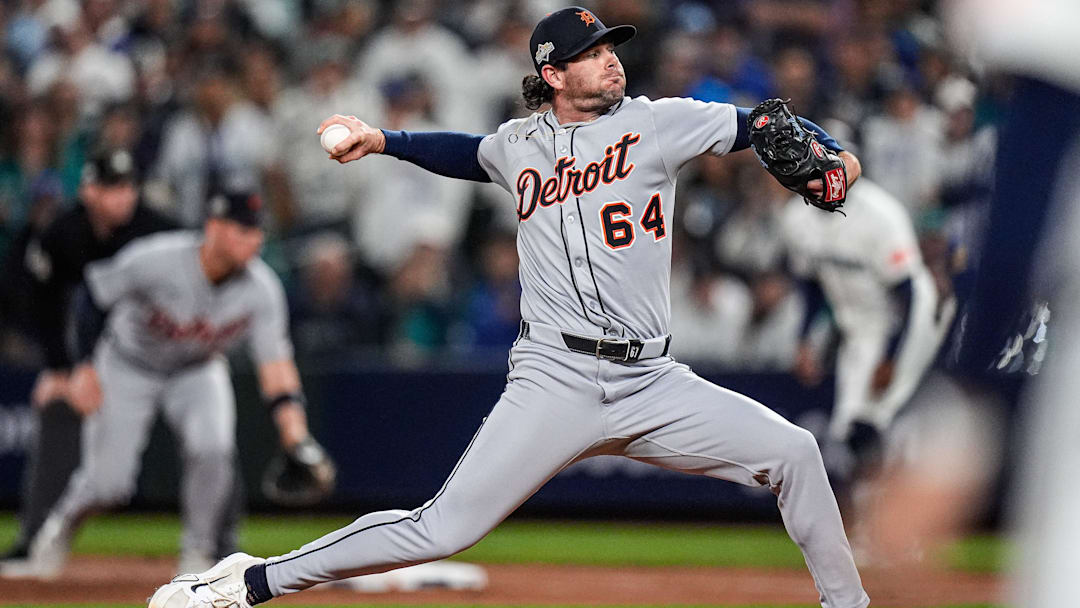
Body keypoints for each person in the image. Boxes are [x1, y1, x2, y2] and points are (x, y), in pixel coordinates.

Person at [149, 8, 870, 608]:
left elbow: (766, 126)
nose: (611, 62)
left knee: (795, 453)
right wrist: (383, 141)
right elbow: (466, 152)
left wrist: (834, 156)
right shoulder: (518, 144)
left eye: (611, 49)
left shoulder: (662, 122)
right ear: (554, 74)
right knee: (440, 529)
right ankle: (248, 582)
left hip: (653, 380)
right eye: (592, 54)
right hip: (555, 377)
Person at [1, 189, 329, 580]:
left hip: (197, 369)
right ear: (214, 227)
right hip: (128, 364)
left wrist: (296, 436)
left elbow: (276, 368)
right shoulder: (157, 259)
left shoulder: (262, 288)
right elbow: (93, 296)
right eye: (242, 229)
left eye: (257, 231)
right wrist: (84, 367)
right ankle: (58, 529)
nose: (253, 240)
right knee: (109, 485)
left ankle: (199, 554)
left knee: (213, 449)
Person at [1, 148, 177, 562]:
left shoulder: (160, 231)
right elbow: (42, 301)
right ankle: (34, 540)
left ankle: (222, 545)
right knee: (57, 409)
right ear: (88, 191)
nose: (123, 195)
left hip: (169, 348)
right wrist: (62, 368)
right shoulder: (62, 233)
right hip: (106, 352)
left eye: (128, 186)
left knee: (209, 436)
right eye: (112, 187)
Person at [782, 177, 956, 490]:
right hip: (858, 327)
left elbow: (906, 296)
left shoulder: (880, 214)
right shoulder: (796, 217)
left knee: (871, 420)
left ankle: (889, 503)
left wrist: (891, 358)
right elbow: (811, 286)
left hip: (907, 322)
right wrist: (805, 339)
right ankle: (867, 503)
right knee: (847, 425)